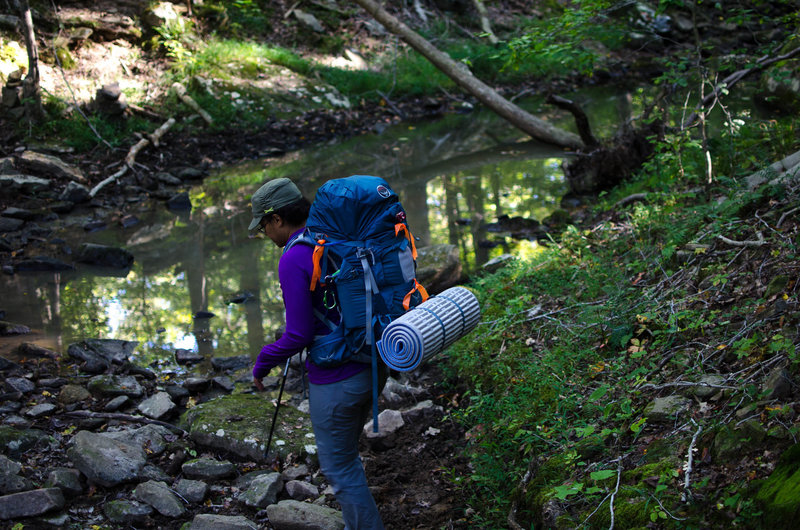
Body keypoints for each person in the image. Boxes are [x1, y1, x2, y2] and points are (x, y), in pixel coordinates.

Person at [248, 177, 385, 530]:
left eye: (263, 226)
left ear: (277, 219)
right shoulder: (337, 235)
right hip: (375, 360)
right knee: (347, 455)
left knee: (340, 468)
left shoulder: (295, 256)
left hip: (337, 378)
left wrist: (263, 362)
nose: (265, 235)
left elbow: (299, 334)